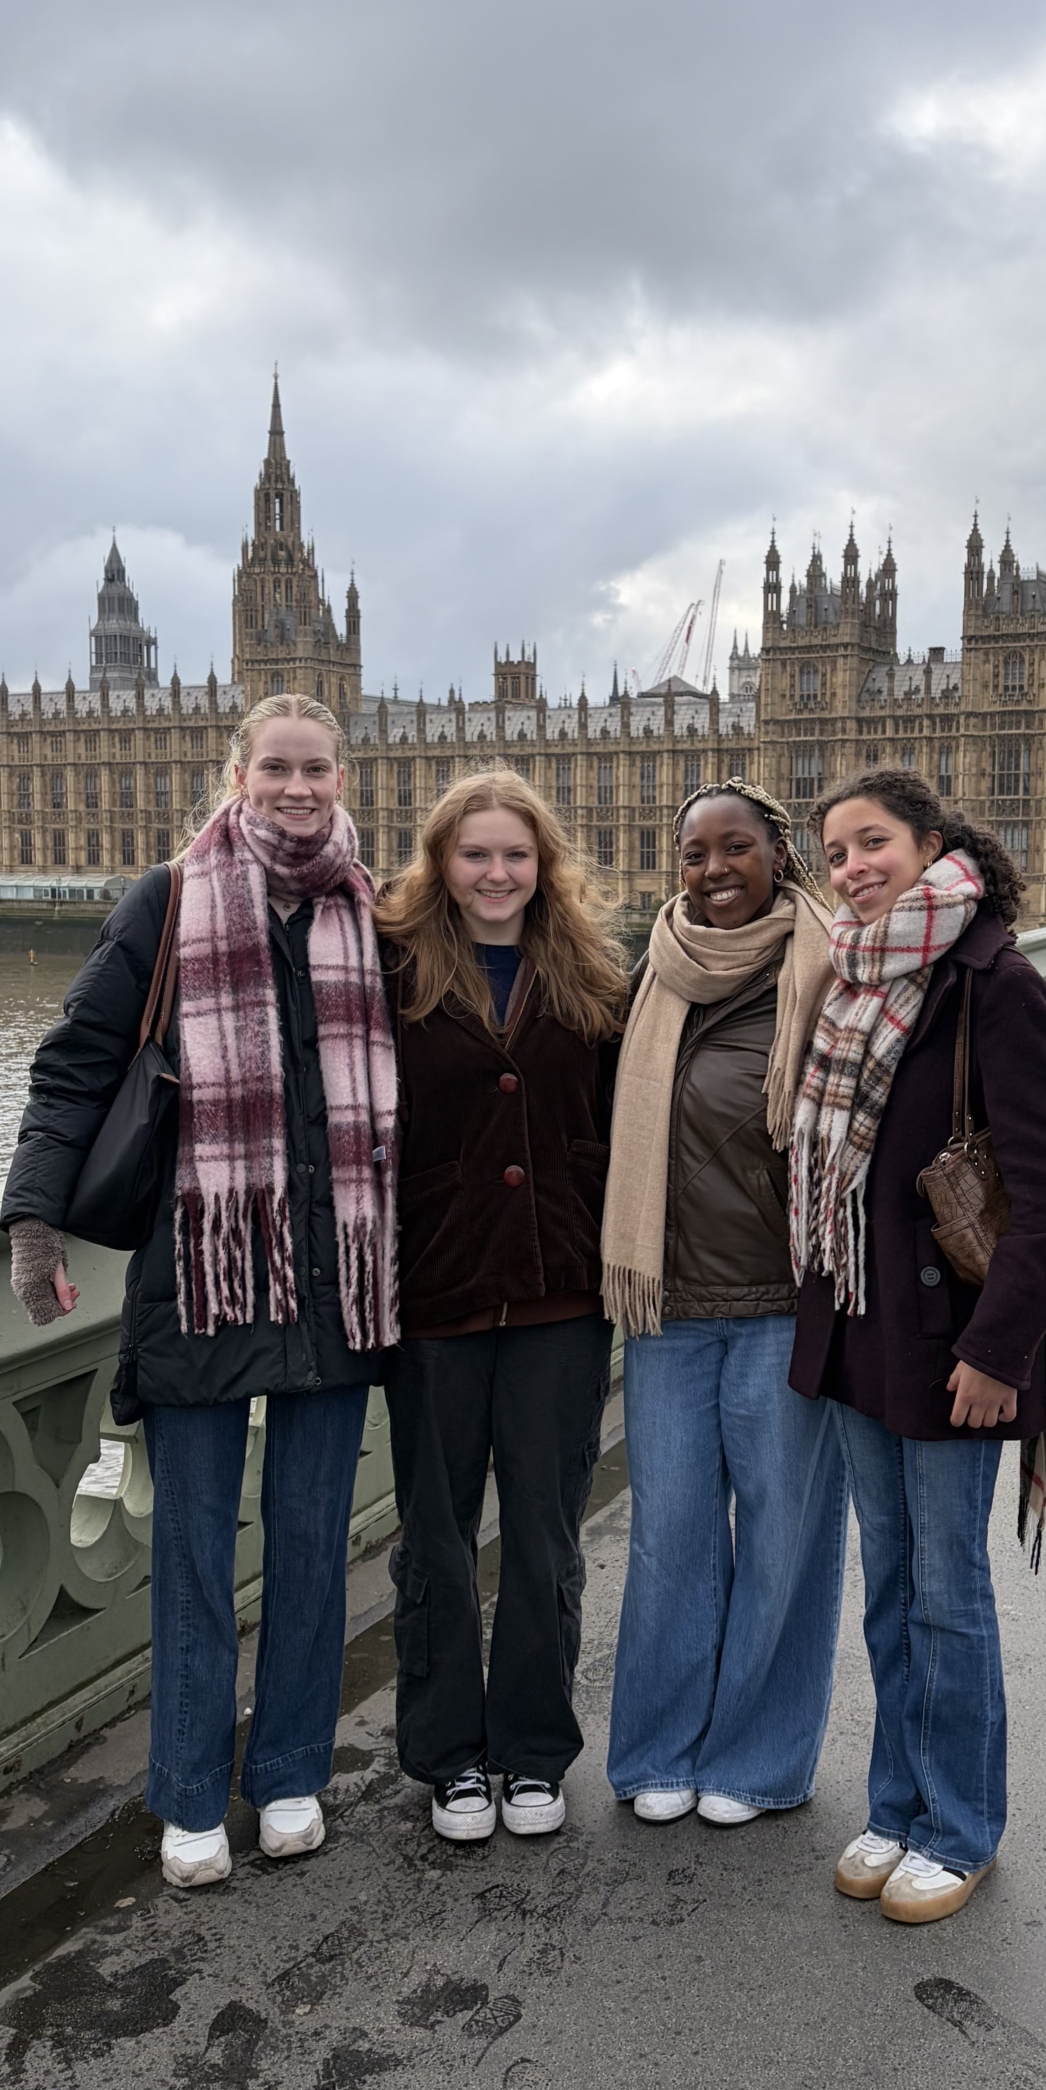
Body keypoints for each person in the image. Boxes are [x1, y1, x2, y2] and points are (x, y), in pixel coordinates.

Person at [2, 694, 397, 1889]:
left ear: (344, 780)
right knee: (190, 1552)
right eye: (275, 766)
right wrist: (31, 1220)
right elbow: (75, 1060)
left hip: (334, 1277)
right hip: (203, 1269)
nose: (295, 787)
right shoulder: (168, 900)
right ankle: (185, 1794)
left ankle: (287, 1774)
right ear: (236, 773)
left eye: (315, 768)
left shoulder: (371, 911)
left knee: (316, 1546)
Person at [787, 770, 1046, 1926]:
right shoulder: (853, 979)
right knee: (891, 1588)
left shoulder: (995, 986)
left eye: (874, 842)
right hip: (866, 1334)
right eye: (837, 851)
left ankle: (961, 1826)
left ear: (932, 844)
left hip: (955, 1347)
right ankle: (898, 1802)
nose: (854, 865)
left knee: (947, 1593)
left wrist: (998, 1349)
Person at [374, 771, 628, 1842]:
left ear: (544, 863)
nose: (495, 873)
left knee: (541, 1535)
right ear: (440, 862)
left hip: (559, 1296)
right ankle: (446, 1760)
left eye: (514, 854)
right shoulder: (386, 971)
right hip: (434, 1291)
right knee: (435, 1538)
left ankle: (531, 1752)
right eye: (474, 854)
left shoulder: (595, 972)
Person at [603, 781, 844, 1832]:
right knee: (669, 1534)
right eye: (695, 852)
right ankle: (658, 1747)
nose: (712, 870)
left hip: (787, 1301)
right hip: (666, 1302)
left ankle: (757, 1756)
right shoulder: (645, 976)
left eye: (734, 848)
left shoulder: (834, 970)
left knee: (785, 1534)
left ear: (779, 855)